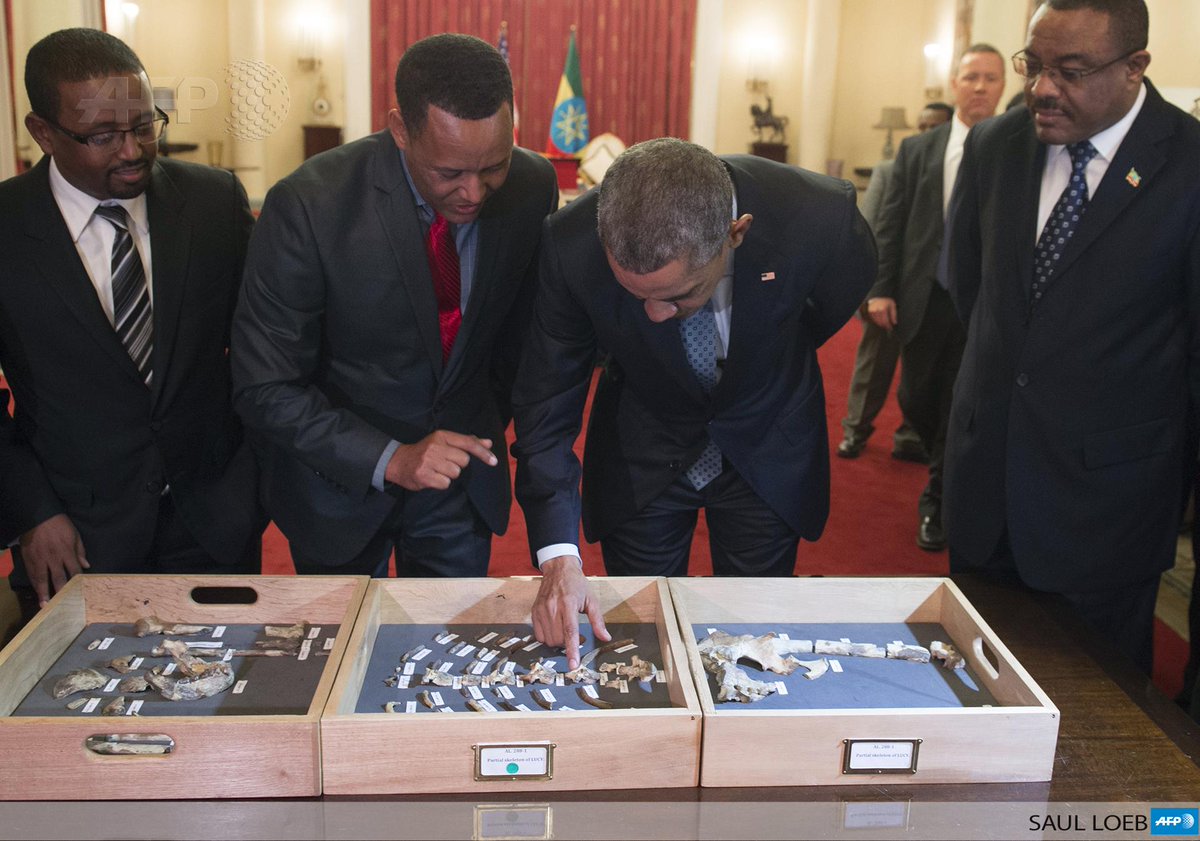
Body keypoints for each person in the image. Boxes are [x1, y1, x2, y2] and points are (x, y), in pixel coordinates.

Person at [512, 138, 876, 667]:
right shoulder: (571, 244)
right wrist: (558, 555)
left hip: (767, 439)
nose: (655, 315)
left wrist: (762, 351)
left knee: (756, 641)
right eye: (637, 298)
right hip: (642, 445)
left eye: (679, 296)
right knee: (641, 641)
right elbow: (547, 401)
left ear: (736, 233)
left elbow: (830, 304)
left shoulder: (819, 215)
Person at [232, 34, 557, 578]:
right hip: (338, 489)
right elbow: (263, 385)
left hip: (460, 486)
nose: (474, 193)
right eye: (449, 173)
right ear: (400, 129)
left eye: (492, 167)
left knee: (450, 655)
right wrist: (391, 457)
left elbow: (519, 337)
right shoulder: (311, 205)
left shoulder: (530, 185)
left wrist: (479, 417)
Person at [943, 0, 1200, 674]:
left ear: (1135, 68)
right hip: (986, 492)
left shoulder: (1188, 166)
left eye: (1072, 71)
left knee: (1097, 729)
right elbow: (970, 291)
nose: (1043, 88)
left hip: (1106, 514)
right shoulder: (996, 146)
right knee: (972, 698)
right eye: (1034, 65)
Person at [0, 28, 263, 613]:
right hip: (74, 535)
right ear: (42, 133)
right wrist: (31, 513)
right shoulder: (6, 229)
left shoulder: (215, 203)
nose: (132, 150)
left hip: (214, 524)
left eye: (145, 125)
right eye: (102, 135)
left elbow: (266, 348)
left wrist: (254, 482)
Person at [865, 45, 1006, 551]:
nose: (980, 87)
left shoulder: (1021, 147)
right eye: (971, 77)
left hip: (984, 308)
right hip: (925, 298)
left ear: (1004, 86)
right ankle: (938, 466)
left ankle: (940, 503)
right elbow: (891, 223)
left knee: (958, 407)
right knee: (916, 398)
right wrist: (880, 288)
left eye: (991, 78)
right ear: (954, 83)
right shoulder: (919, 150)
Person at [837, 102, 953, 462]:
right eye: (920, 124)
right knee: (874, 363)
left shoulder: (964, 168)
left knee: (925, 372)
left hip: (937, 291)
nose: (923, 130)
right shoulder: (890, 168)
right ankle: (855, 430)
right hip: (891, 283)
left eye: (932, 125)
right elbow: (871, 226)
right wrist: (873, 288)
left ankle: (910, 435)